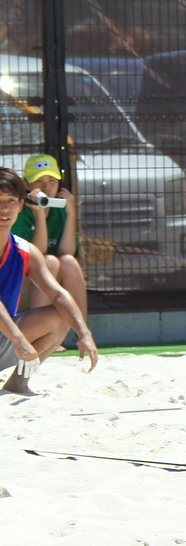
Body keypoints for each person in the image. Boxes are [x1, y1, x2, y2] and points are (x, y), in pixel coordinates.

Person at [0, 167, 97, 394]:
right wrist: (19, 340)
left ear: (21, 205)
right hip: (9, 334)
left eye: (11, 200)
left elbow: (59, 294)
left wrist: (84, 333)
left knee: (62, 316)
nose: (4, 208)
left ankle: (18, 384)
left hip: (4, 335)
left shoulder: (25, 250)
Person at [14, 153, 88, 335]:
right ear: (26, 184)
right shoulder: (20, 211)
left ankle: (83, 333)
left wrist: (71, 214)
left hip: (49, 284)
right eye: (39, 181)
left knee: (69, 262)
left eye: (52, 181)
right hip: (19, 289)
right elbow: (37, 254)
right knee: (50, 262)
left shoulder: (59, 209)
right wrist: (40, 214)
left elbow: (67, 251)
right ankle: (38, 332)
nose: (46, 187)